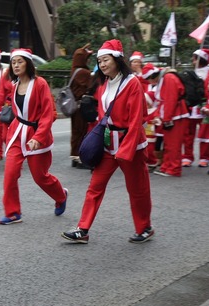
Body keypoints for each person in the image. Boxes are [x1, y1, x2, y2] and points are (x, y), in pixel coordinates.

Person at [62, 39, 153, 245]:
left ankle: (144, 227)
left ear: (117, 59)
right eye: (100, 61)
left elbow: (137, 119)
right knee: (95, 186)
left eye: (106, 60)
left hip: (130, 144)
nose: (102, 64)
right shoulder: (103, 84)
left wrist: (126, 149)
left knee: (137, 189)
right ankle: (83, 229)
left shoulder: (132, 83)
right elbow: (102, 118)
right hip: (108, 144)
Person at [0, 48, 67, 225]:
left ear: (28, 63)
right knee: (9, 174)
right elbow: (7, 103)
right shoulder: (14, 85)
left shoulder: (40, 84)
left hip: (36, 136)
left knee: (40, 177)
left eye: (20, 61)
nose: (16, 65)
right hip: (17, 134)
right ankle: (13, 213)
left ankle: (61, 195)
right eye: (13, 62)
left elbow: (48, 114)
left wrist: (38, 137)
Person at [145, 62, 189, 177]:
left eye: (149, 80)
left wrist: (166, 118)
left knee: (174, 144)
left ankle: (174, 168)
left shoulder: (168, 78)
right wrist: (160, 116)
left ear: (153, 77)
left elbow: (170, 100)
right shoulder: (165, 78)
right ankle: (166, 166)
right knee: (169, 144)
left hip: (176, 115)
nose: (150, 83)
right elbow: (165, 101)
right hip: (172, 115)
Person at [182, 49, 209, 168]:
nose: (192, 60)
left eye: (194, 58)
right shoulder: (190, 72)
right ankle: (187, 156)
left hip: (205, 107)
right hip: (191, 108)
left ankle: (205, 157)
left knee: (205, 132)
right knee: (188, 133)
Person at [69, 44, 94, 167]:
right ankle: (79, 158)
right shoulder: (83, 72)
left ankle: (74, 157)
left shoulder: (75, 69)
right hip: (81, 107)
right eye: (86, 58)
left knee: (75, 131)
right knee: (81, 131)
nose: (88, 60)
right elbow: (91, 86)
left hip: (75, 106)